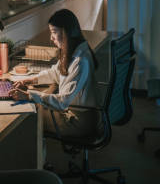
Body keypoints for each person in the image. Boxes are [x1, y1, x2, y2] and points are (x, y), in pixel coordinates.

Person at [9, 8, 100, 138]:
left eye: (54, 32)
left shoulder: (80, 61)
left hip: (79, 121)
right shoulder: (74, 50)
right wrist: (31, 80)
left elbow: (62, 101)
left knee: (28, 119)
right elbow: (55, 73)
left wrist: (29, 95)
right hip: (76, 114)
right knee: (32, 113)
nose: (51, 38)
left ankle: (40, 158)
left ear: (66, 33)